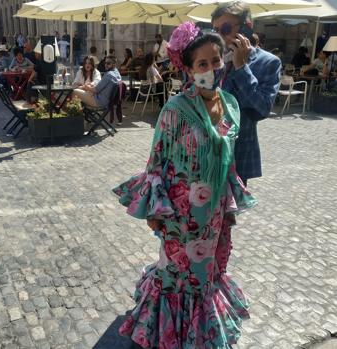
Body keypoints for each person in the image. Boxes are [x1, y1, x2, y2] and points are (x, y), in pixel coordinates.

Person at [115, 22, 255, 349]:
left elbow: (229, 161)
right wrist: (155, 214)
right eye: (202, 64)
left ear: (224, 61)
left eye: (216, 61)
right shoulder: (175, 111)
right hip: (180, 217)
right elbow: (156, 163)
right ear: (189, 70)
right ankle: (170, 331)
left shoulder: (231, 106)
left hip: (215, 213)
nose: (211, 69)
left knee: (206, 273)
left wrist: (231, 206)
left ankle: (200, 329)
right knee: (177, 274)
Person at [212, 1, 281, 186]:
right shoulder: (214, 59)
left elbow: (263, 108)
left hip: (238, 152)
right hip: (206, 149)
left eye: (225, 28)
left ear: (246, 29)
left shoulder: (268, 63)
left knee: (229, 213)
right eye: (215, 30)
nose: (219, 35)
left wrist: (241, 67)